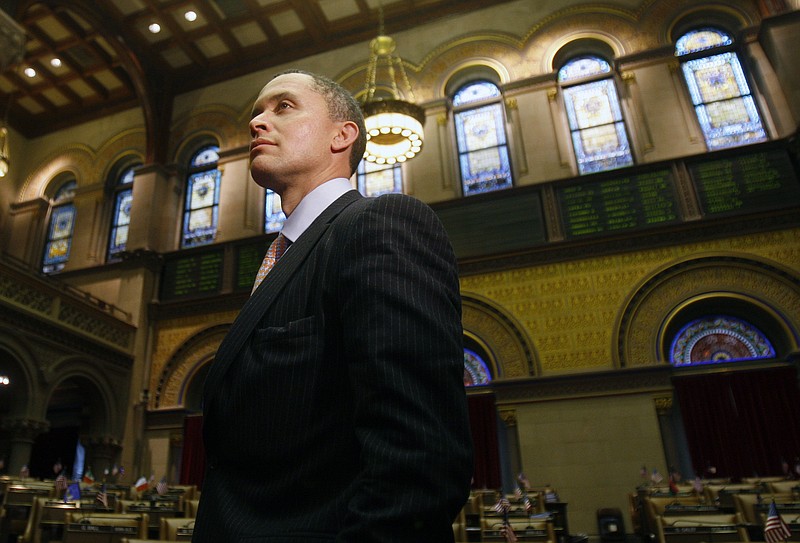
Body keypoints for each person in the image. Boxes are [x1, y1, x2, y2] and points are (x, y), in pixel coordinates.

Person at [193, 69, 473, 542]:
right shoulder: (285, 256)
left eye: (283, 107)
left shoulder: (379, 224)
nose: (258, 122)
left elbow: (418, 460)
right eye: (256, 112)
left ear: (342, 136)